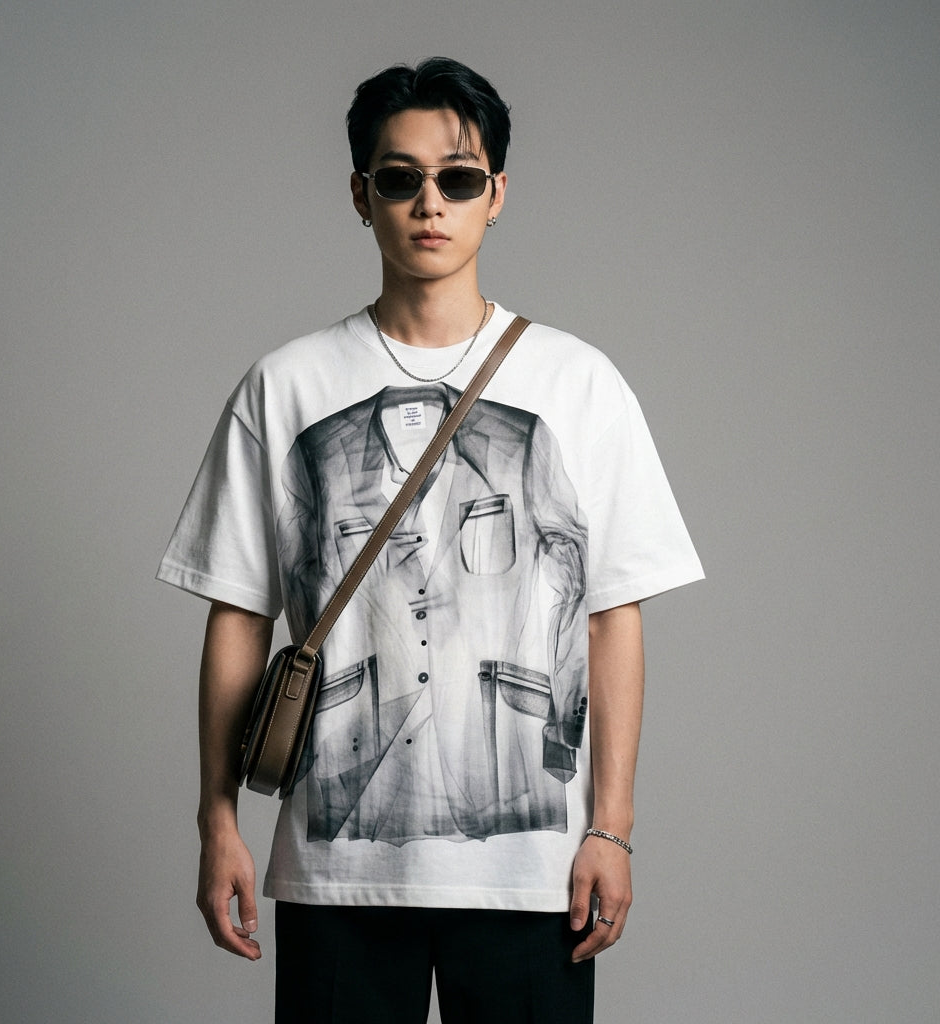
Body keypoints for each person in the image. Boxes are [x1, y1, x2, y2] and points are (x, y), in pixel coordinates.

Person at [157, 57, 703, 1023]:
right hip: (339, 863)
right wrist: (217, 820)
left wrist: (611, 829)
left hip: (530, 866)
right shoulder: (287, 388)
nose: (429, 204)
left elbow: (611, 615)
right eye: (400, 178)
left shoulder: (576, 385)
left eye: (457, 177)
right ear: (360, 194)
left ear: (498, 193)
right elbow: (238, 614)